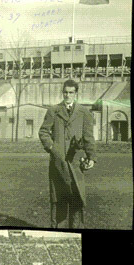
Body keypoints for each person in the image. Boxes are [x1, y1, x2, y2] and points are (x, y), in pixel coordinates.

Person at [38, 79, 96, 229]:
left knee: (77, 199)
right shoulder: (53, 111)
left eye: (71, 92)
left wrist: (91, 157)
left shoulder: (84, 112)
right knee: (58, 200)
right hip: (58, 163)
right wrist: (52, 147)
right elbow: (43, 132)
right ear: (62, 92)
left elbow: (89, 137)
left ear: (76, 94)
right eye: (65, 92)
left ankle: (76, 230)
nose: (68, 95)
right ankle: (58, 230)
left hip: (76, 163)